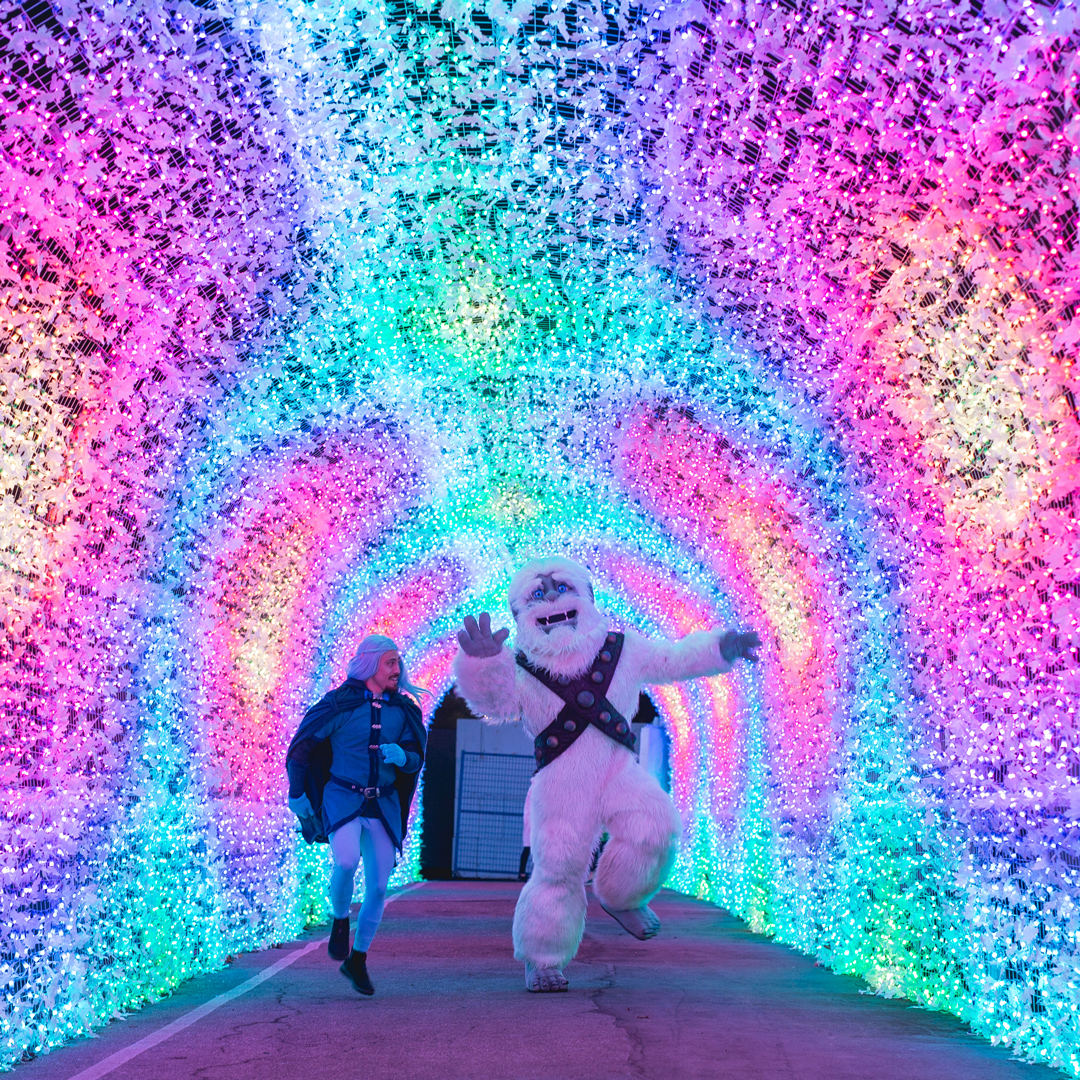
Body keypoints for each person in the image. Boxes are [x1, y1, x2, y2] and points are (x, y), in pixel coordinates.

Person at [454, 555, 760, 992]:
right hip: (561, 783)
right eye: (538, 595)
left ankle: (623, 897)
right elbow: (497, 706)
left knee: (656, 829)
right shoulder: (519, 665)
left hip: (618, 771)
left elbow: (672, 660)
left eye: (563, 589)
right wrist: (483, 665)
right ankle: (543, 960)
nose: (552, 600)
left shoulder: (623, 649)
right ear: (520, 613)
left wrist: (720, 648)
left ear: (589, 597)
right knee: (558, 870)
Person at [286, 635, 428, 996]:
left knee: (378, 886)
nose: (397, 669)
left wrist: (404, 757)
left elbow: (415, 756)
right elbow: (302, 748)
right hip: (342, 798)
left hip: (383, 805)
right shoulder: (339, 704)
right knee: (346, 860)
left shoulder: (403, 710)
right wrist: (297, 794)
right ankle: (339, 920)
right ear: (370, 664)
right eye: (390, 662)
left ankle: (358, 959)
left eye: (398, 662)